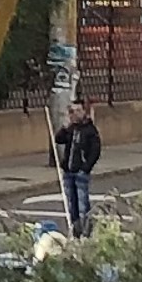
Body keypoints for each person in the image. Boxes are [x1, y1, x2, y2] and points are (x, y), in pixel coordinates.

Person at [51, 102, 103, 238]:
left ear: (84, 112)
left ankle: (86, 231)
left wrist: (85, 168)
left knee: (82, 204)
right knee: (71, 204)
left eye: (78, 110)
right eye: (72, 111)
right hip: (69, 171)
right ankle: (75, 230)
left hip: (80, 172)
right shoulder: (71, 129)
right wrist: (65, 127)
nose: (74, 114)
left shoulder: (90, 130)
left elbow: (95, 151)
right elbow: (59, 139)